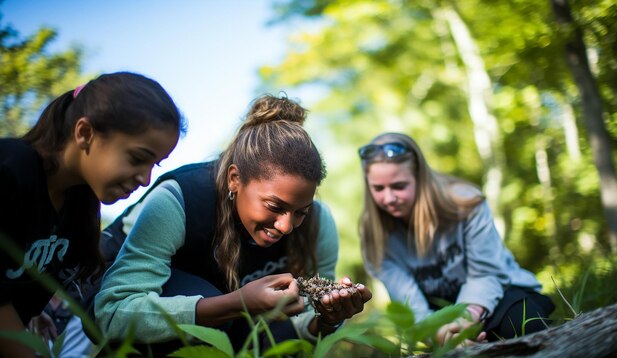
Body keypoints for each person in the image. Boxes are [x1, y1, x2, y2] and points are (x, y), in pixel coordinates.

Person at [94, 94, 372, 355]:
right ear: (234, 179)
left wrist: (326, 320)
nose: (287, 226)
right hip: (112, 297)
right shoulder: (179, 200)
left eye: (301, 212)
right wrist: (235, 304)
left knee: (267, 332)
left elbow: (298, 328)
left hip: (235, 322)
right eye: (275, 207)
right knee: (217, 309)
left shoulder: (318, 225)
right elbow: (112, 312)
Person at [0, 71, 184, 357]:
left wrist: (29, 309)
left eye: (154, 166)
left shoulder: (80, 206)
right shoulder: (11, 169)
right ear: (85, 133)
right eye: (138, 158)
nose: (146, 180)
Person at [358, 132, 554, 347]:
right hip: (440, 318)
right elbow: (410, 304)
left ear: (419, 178)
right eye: (378, 188)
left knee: (523, 329)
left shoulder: (466, 203)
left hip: (499, 296)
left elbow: (487, 272)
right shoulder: (373, 236)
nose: (389, 198)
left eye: (399, 186)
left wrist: (466, 320)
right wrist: (438, 334)